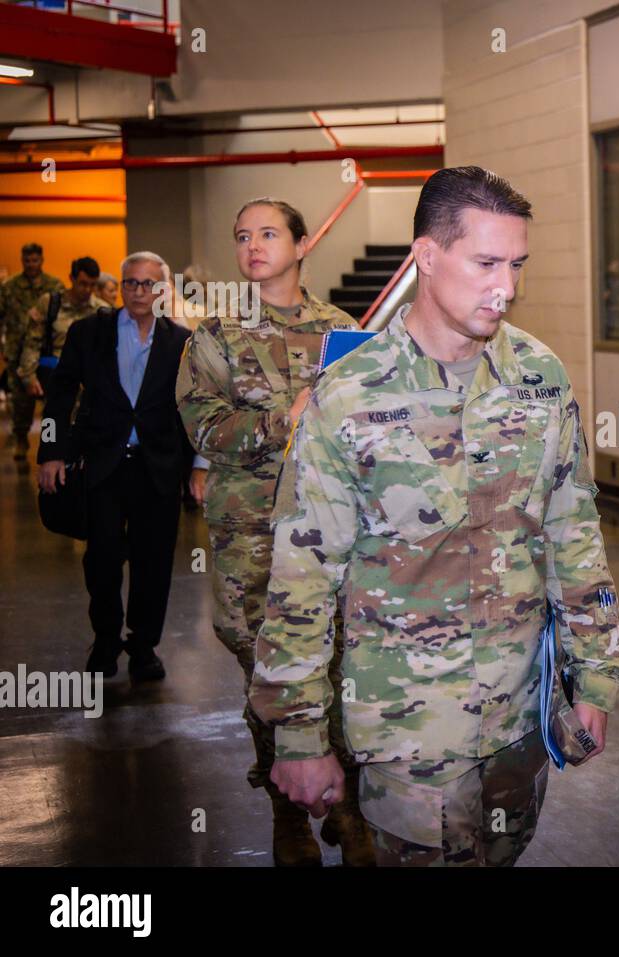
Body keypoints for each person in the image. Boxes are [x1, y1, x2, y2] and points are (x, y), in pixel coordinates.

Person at [250, 166, 619, 867]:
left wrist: (597, 674)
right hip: (410, 737)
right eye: (486, 262)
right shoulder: (349, 397)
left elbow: (574, 533)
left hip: (520, 725)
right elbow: (301, 577)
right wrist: (300, 734)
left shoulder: (540, 377)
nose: (507, 286)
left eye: (517, 264)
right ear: (427, 257)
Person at [175, 197, 369, 867]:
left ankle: (346, 802)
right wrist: (281, 421)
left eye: (266, 233)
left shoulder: (342, 331)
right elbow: (202, 427)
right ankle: (285, 806)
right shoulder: (217, 334)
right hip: (250, 533)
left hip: (329, 526)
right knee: (266, 666)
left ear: (301, 242)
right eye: (242, 236)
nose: (252, 245)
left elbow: (365, 426)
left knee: (337, 660)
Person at [36, 252, 196, 680]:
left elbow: (193, 409)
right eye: (131, 283)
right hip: (103, 466)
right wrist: (51, 452)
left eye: (148, 284)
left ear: (162, 289)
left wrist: (197, 466)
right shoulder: (88, 333)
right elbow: (60, 394)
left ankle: (143, 645)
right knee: (102, 560)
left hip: (157, 469)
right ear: (119, 286)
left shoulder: (181, 342)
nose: (139, 292)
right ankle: (105, 640)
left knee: (154, 561)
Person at [2, 243, 64, 461]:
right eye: (27, 261)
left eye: (35, 260)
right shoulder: (9, 287)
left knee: (52, 405)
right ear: (22, 260)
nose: (31, 265)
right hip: (18, 353)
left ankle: (49, 443)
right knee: (21, 402)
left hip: (46, 354)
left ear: (41, 260)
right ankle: (21, 438)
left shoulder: (54, 286)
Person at [19, 257, 110, 400]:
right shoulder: (50, 303)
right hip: (56, 378)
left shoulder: (102, 310)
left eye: (92, 285)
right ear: (71, 279)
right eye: (83, 284)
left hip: (90, 384)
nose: (87, 290)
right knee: (53, 421)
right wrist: (28, 376)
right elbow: (32, 343)